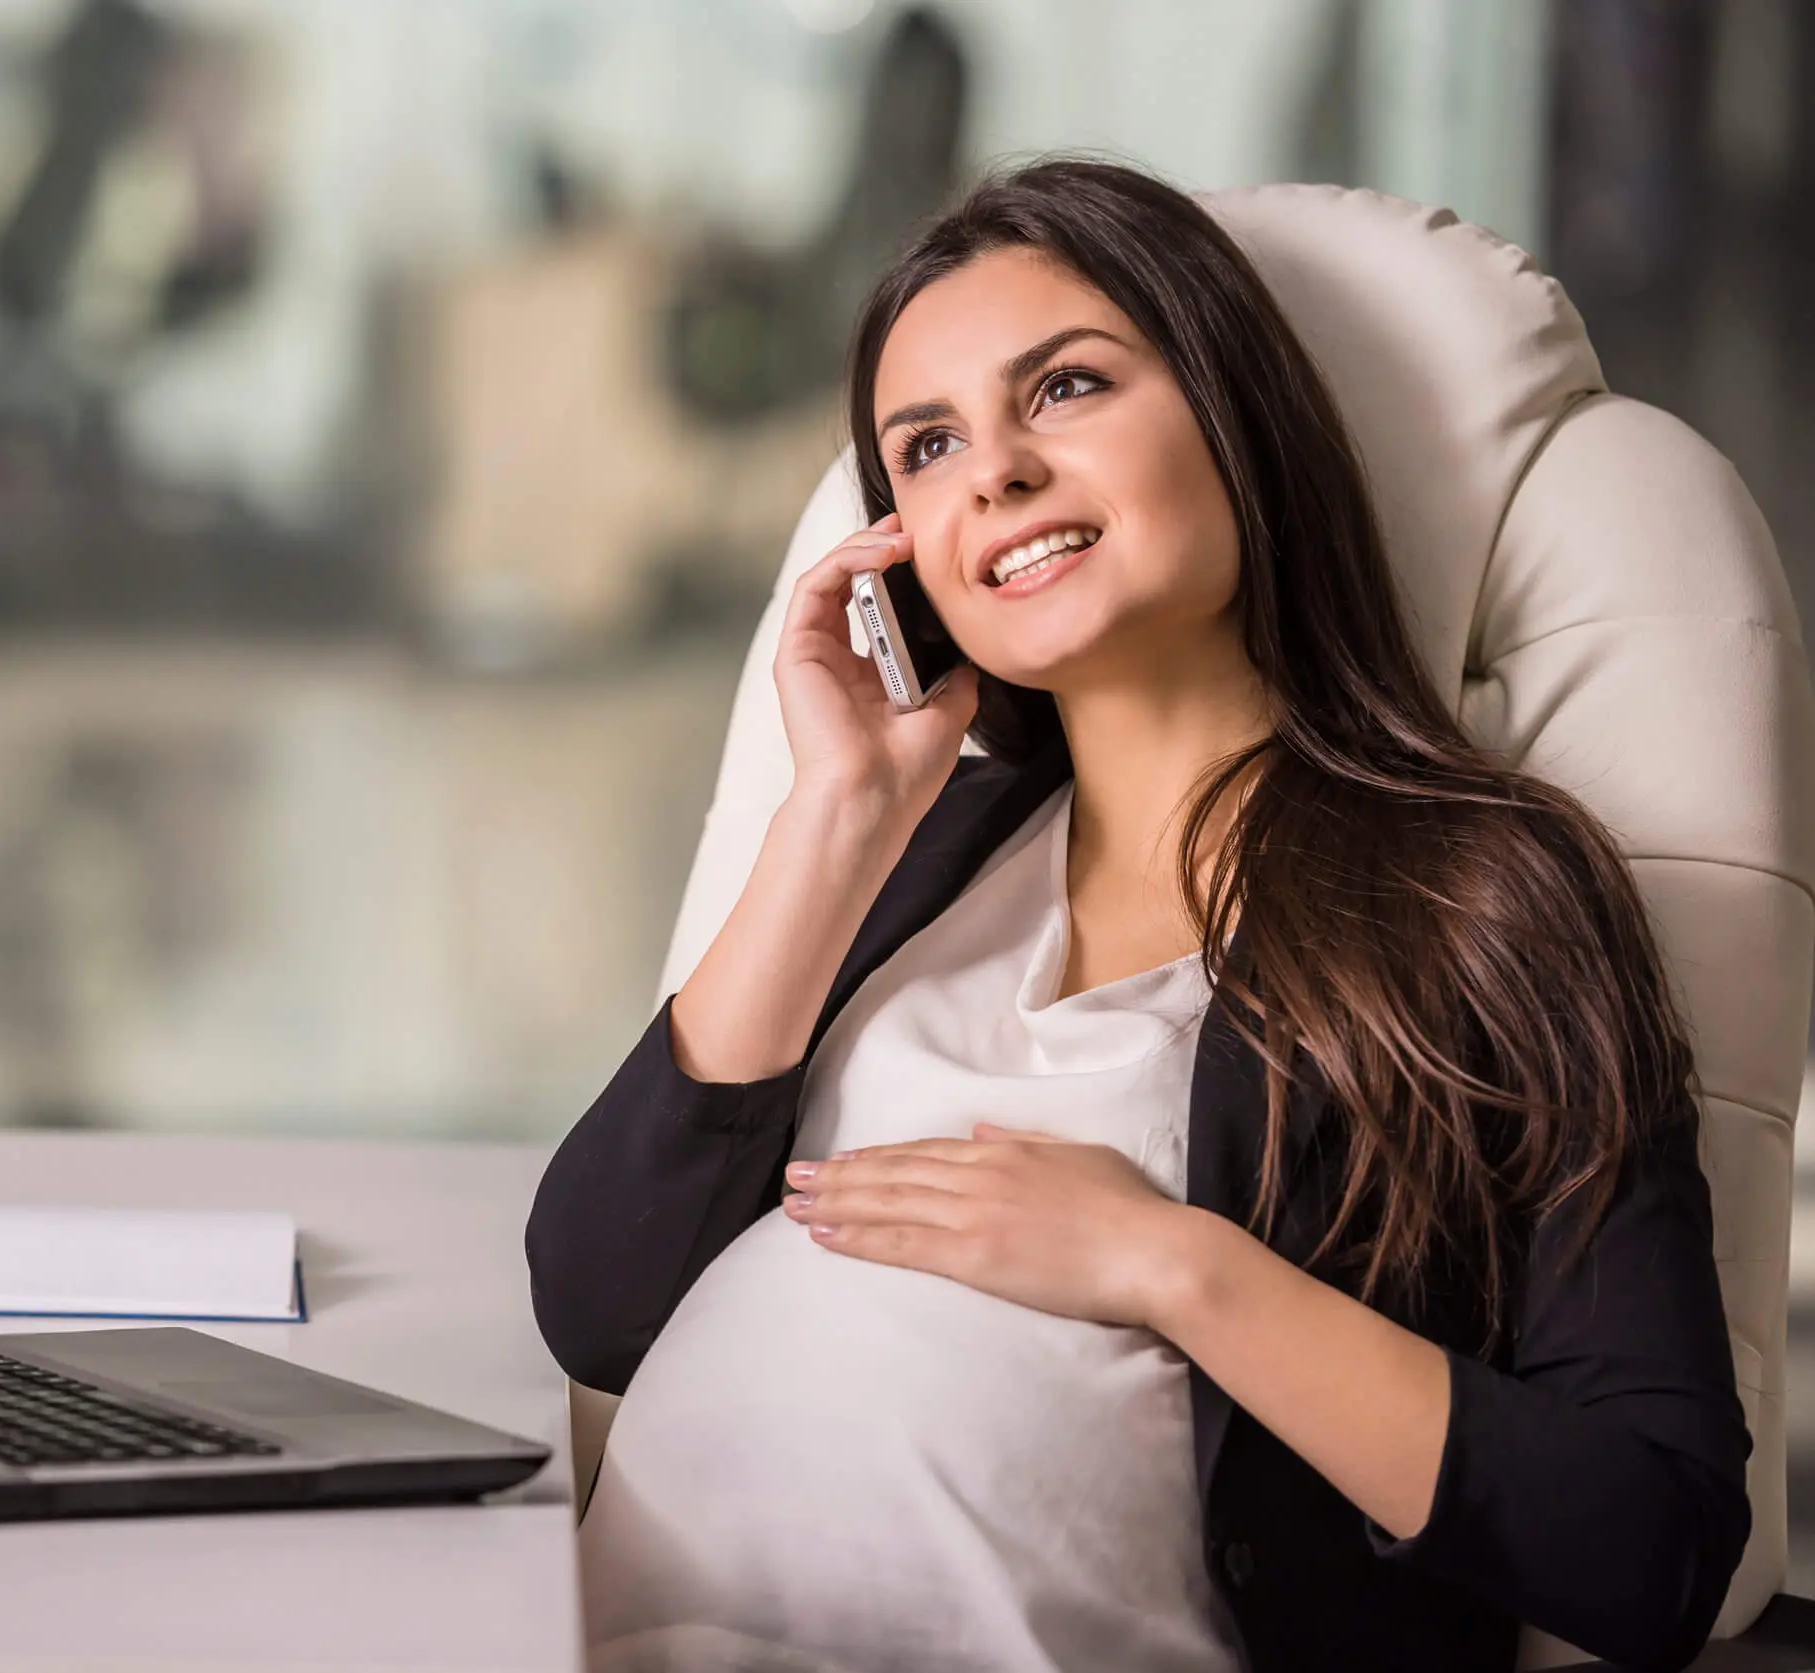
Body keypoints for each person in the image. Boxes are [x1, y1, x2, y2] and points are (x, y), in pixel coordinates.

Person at [525, 159, 1750, 1673]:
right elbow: (593, 1306)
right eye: (925, 446)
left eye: (1065, 388)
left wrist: (1165, 1265)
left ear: (1233, 415)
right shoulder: (904, 852)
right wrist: (831, 819)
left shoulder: (1476, 900)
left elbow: (1652, 1550)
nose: (993, 473)